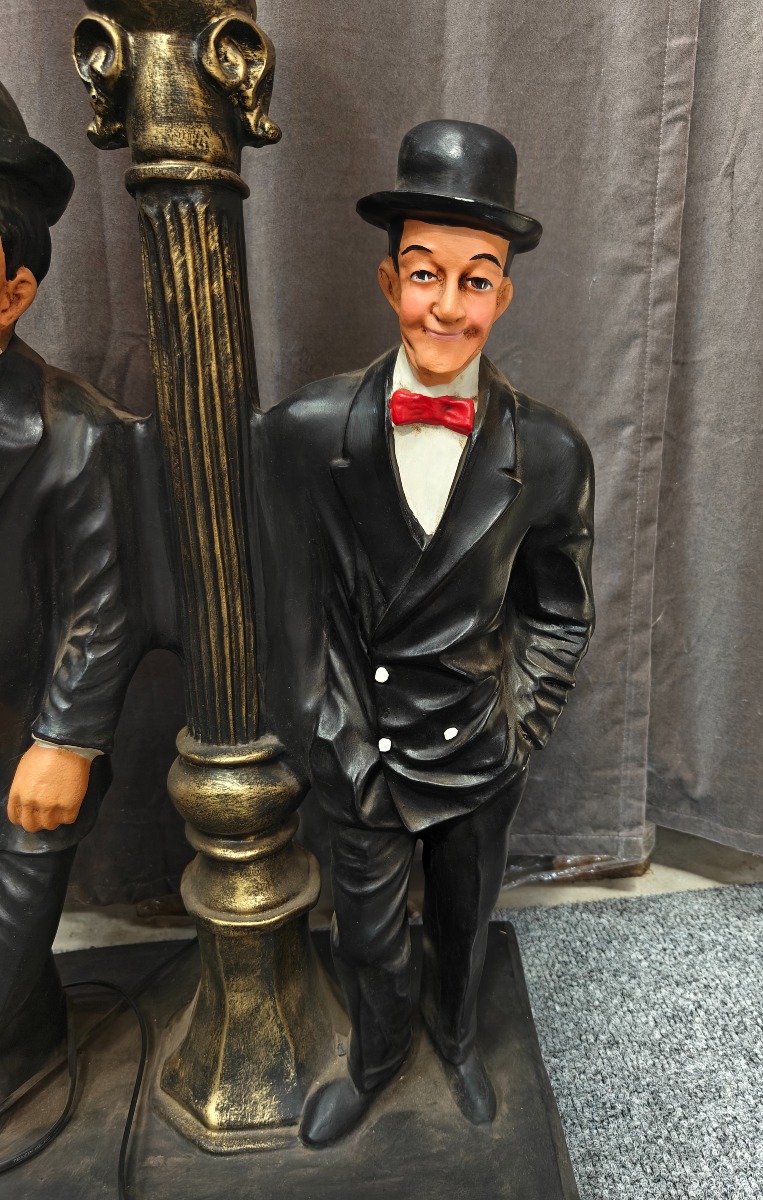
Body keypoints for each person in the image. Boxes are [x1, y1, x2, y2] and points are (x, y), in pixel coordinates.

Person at [254, 119, 595, 1146]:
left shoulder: (550, 452)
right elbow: (291, 620)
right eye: (424, 274)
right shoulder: (304, 434)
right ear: (388, 278)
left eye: (475, 280)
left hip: (476, 747)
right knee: (368, 935)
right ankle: (375, 1057)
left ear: (504, 295)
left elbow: (559, 611)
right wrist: (334, 747)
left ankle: (455, 1039)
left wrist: (516, 731)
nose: (447, 306)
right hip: (360, 747)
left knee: (463, 918)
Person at [0, 83, 143, 1097]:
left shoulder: (71, 434)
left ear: (13, 290)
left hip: (19, 745)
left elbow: (103, 607)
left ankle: (20, 1046)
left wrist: (63, 741)